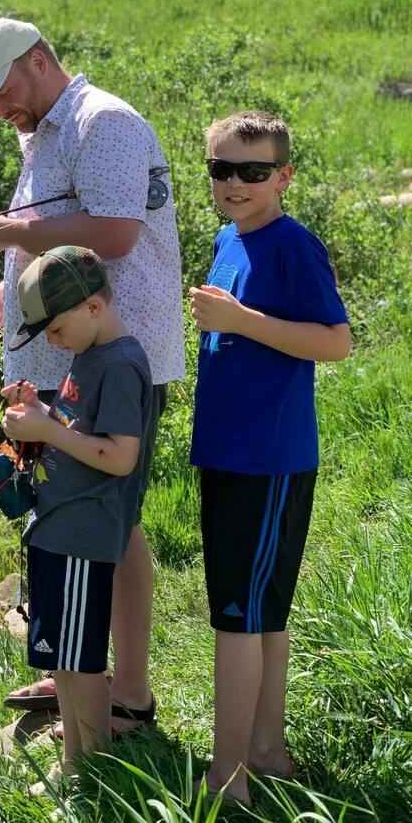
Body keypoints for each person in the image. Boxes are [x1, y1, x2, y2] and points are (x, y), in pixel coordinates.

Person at [0, 17, 184, 731]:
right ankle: (80, 677)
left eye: (1, 90)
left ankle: (128, 695)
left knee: (114, 522)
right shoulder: (43, 133)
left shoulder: (102, 121)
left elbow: (114, 232)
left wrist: (13, 234)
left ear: (38, 61)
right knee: (76, 516)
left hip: (115, 360)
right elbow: (66, 242)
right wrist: (16, 279)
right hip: (61, 359)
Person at [189, 111, 351, 805]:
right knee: (262, 615)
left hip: (266, 460)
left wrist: (240, 322)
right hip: (229, 455)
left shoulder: (292, 246)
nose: (234, 183)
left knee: (237, 618)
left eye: (251, 172)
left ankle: (228, 784)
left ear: (282, 175)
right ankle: (264, 752)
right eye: (220, 169)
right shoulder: (228, 237)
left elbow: (335, 342)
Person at [0, 245, 152, 788]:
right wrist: (40, 414)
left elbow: (119, 455)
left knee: (82, 659)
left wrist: (50, 432)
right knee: (61, 653)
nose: (52, 342)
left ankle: (95, 770)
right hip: (59, 527)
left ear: (92, 306)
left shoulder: (121, 364)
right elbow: (79, 431)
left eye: (55, 328)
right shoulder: (87, 354)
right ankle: (75, 762)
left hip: (86, 535)